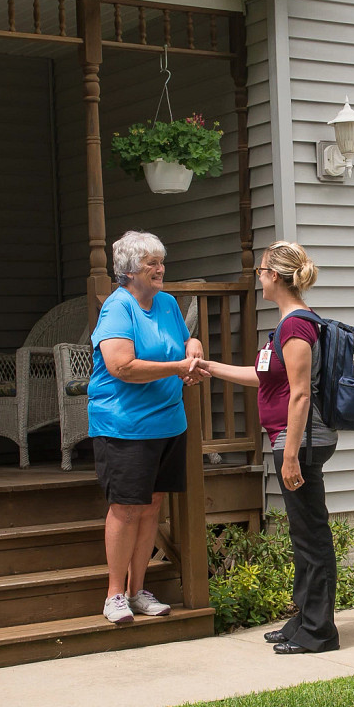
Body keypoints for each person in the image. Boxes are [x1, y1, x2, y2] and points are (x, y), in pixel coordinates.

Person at [198, 241, 339, 654]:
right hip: (292, 439)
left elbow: (299, 395)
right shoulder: (287, 325)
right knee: (302, 533)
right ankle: (304, 620)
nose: (258, 277)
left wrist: (291, 453)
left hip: (300, 441)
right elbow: (265, 378)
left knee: (311, 535)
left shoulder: (295, 326)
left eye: (261, 271)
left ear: (274, 276)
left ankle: (319, 633)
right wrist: (209, 368)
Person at [88, 230, 203, 625]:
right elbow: (121, 366)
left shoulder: (167, 303)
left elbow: (184, 344)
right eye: (151, 262)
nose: (160, 268)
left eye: (160, 260)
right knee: (126, 507)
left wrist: (194, 348)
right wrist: (177, 367)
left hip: (168, 421)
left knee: (152, 505)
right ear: (128, 271)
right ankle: (114, 595)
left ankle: (137, 591)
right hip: (124, 425)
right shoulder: (118, 308)